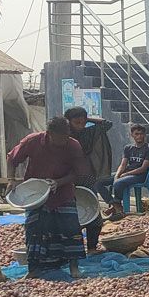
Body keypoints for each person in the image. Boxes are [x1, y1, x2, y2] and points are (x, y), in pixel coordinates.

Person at [7, 117, 91, 278]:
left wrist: (58, 182)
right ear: (49, 133)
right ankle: (34, 269)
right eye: (60, 137)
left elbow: (79, 172)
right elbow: (12, 159)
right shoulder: (33, 141)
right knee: (34, 229)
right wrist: (11, 180)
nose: (63, 140)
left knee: (70, 228)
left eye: (66, 136)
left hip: (63, 191)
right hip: (36, 193)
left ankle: (74, 267)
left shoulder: (73, 145)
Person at [66, 107, 114, 253]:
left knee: (93, 212)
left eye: (83, 122)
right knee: (71, 214)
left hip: (87, 177)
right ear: (68, 122)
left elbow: (107, 124)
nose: (80, 126)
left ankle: (92, 247)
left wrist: (88, 120)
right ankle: (75, 248)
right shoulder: (63, 136)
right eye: (76, 122)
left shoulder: (88, 133)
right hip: (67, 179)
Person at [97, 125, 149, 221]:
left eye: (141, 134)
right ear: (132, 135)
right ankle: (115, 204)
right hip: (127, 173)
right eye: (136, 134)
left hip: (139, 176)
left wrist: (125, 175)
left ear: (144, 135)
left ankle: (117, 208)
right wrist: (117, 175)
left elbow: (143, 168)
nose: (139, 136)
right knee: (98, 182)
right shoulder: (128, 148)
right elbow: (123, 164)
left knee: (118, 183)